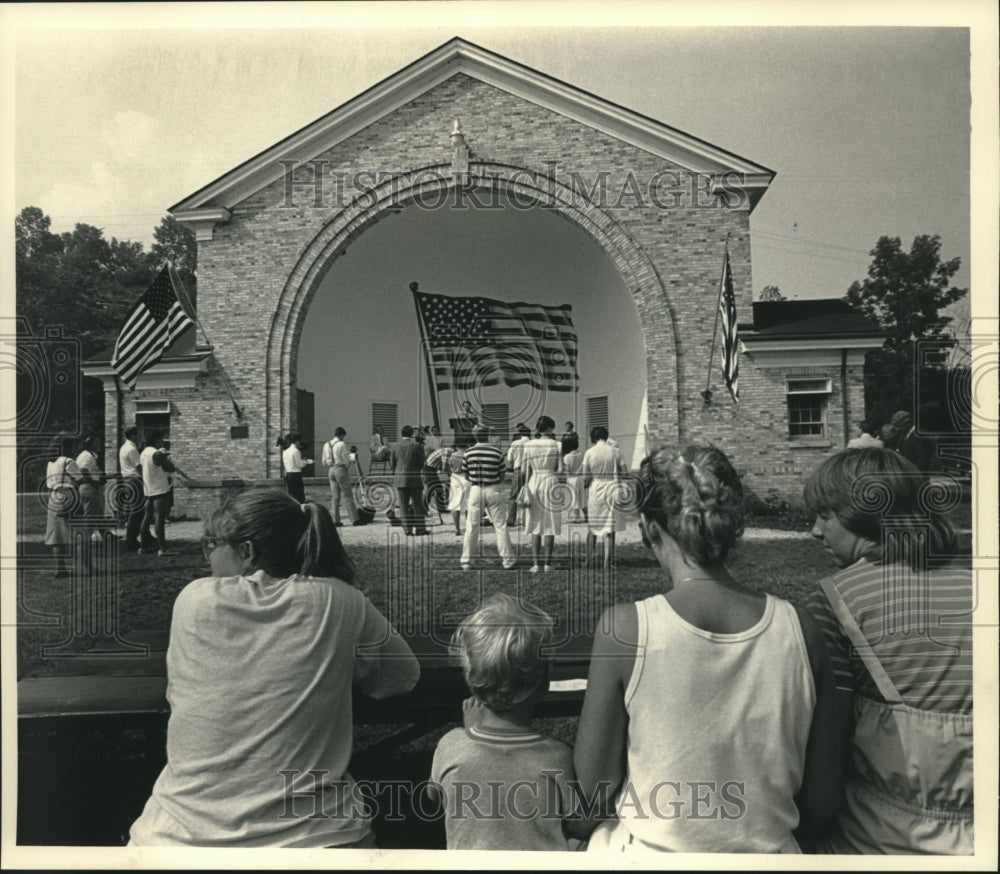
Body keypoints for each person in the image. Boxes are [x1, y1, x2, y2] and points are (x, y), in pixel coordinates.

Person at [571, 444, 840, 852]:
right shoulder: (802, 628)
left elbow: (590, 799)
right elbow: (821, 800)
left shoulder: (624, 629)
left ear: (648, 527)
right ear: (733, 525)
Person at [129, 488, 420, 847]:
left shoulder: (194, 599)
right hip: (319, 840)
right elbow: (402, 678)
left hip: (179, 838)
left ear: (246, 552)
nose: (208, 556)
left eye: (212, 545)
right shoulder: (339, 600)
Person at [803, 449, 972, 854]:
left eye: (826, 515)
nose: (815, 530)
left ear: (865, 513)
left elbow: (824, 749)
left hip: (874, 838)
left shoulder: (835, 601)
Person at [428, 594, 577, 850]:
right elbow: (577, 821)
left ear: (471, 679)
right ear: (541, 683)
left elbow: (435, 795)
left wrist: (469, 733)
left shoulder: (451, 746)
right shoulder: (557, 757)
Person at [460, 425, 516, 570]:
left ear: (475, 436)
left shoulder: (468, 453)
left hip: (476, 489)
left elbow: (466, 474)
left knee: (472, 526)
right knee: (500, 526)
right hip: (493, 488)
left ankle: (466, 561)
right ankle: (508, 560)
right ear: (488, 435)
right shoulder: (497, 452)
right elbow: (502, 474)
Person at [521, 416, 563, 572]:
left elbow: (525, 470)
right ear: (549, 428)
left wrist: (526, 485)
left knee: (535, 522)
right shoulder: (557, 445)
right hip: (550, 480)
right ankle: (547, 564)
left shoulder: (528, 445)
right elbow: (560, 469)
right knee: (550, 522)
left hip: (534, 482)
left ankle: (535, 564)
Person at [582, 426, 627, 569]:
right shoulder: (616, 451)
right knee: (609, 526)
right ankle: (608, 561)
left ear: (593, 438)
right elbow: (625, 472)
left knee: (593, 525)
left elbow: (585, 477)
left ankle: (588, 560)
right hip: (612, 487)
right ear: (606, 436)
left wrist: (589, 482)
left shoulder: (589, 452)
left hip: (596, 487)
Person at [140, 430, 188, 557]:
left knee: (147, 517)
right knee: (159, 518)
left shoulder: (144, 453)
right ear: (157, 440)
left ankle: (143, 546)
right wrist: (165, 457)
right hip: (159, 488)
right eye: (161, 439)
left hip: (148, 489)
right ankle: (163, 549)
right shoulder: (157, 454)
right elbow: (170, 468)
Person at [44, 436, 84, 578]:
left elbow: (49, 484)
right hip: (68, 494)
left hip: (54, 496)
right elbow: (80, 478)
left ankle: (60, 569)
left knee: (57, 535)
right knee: (79, 532)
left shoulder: (51, 463)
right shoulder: (68, 461)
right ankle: (84, 567)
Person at [392, 425, 427, 535]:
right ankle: (420, 529)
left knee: (403, 505)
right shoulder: (417, 445)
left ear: (401, 433)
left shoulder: (395, 446)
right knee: (417, 505)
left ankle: (407, 530)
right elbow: (422, 462)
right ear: (412, 434)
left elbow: (393, 462)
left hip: (400, 479)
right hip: (415, 478)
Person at [322, 427, 361, 526]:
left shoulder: (326, 444)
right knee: (347, 495)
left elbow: (324, 462)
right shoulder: (341, 444)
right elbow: (345, 460)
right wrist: (352, 457)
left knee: (335, 497)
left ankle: (335, 520)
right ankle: (354, 519)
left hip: (331, 470)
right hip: (340, 469)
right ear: (342, 435)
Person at [118, 426, 146, 552]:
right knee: (137, 511)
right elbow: (139, 467)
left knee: (134, 510)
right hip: (135, 480)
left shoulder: (124, 447)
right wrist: (147, 479)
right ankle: (131, 539)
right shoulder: (132, 449)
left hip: (128, 480)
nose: (140, 437)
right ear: (133, 436)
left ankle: (135, 538)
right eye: (138, 435)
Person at [505, 423, 532, 526]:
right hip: (530, 471)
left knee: (513, 496)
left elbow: (510, 459)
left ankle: (511, 519)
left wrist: (511, 468)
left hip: (518, 470)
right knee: (529, 495)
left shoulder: (515, 443)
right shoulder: (533, 443)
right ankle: (528, 520)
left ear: (520, 433)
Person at [74, 435, 104, 520]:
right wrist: (93, 482)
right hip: (89, 487)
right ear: (90, 445)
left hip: (89, 486)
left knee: (98, 514)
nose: (100, 445)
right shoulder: (87, 456)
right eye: (96, 443)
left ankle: (105, 533)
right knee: (90, 514)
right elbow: (83, 470)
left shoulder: (91, 455)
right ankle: (88, 533)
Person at [561, 432, 586, 523]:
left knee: (574, 497)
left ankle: (577, 517)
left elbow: (567, 469)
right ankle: (586, 516)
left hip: (572, 478)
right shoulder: (582, 454)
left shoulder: (567, 457)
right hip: (581, 478)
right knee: (582, 497)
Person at [280, 432, 312, 503]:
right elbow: (299, 464)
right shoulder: (296, 451)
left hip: (288, 474)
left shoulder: (285, 451)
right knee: (299, 496)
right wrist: (305, 461)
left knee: (291, 496)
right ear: (297, 441)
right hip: (296, 475)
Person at [444, 446, 468, 536]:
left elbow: (446, 467)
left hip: (455, 477)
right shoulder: (467, 454)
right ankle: (468, 527)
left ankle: (457, 528)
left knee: (455, 503)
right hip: (466, 476)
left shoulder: (452, 455)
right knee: (468, 503)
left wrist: (450, 473)